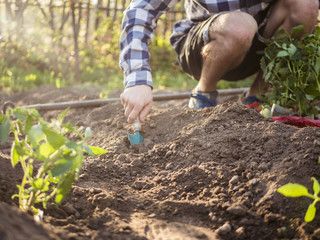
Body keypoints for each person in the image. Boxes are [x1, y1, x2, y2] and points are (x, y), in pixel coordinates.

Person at [119, 0, 319, 124]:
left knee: (305, 5)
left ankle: (259, 96)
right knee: (240, 26)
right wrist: (137, 80)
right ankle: (203, 93)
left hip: (259, 43)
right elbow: (141, 10)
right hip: (204, 46)